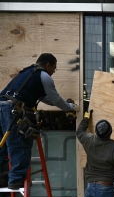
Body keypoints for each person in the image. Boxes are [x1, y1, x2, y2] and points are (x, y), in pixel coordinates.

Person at [0, 53, 76, 189]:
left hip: (2, 107)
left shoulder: (26, 72)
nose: (53, 72)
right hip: (13, 110)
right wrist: (70, 107)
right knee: (20, 143)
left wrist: (62, 104)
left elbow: (48, 99)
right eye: (54, 68)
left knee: (3, 143)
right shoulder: (44, 76)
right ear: (48, 65)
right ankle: (15, 180)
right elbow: (55, 99)